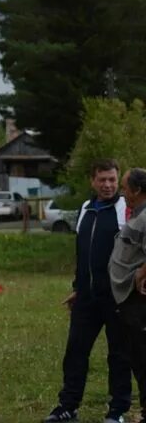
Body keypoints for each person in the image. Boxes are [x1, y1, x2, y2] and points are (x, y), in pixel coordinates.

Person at [45, 160, 132, 423]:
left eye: (112, 180)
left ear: (118, 182)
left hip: (117, 297)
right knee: (75, 351)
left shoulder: (126, 208)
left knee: (118, 355)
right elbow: (83, 253)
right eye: (102, 180)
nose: (107, 185)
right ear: (92, 181)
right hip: (86, 297)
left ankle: (117, 411)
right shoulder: (85, 208)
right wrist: (77, 287)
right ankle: (68, 406)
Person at [109, 167, 146, 423]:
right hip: (127, 301)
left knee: (144, 360)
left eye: (124, 187)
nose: (123, 191)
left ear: (137, 190)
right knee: (136, 357)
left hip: (139, 303)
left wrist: (142, 272)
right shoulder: (136, 214)